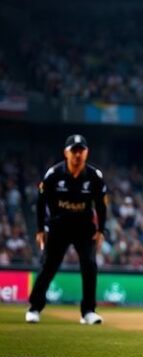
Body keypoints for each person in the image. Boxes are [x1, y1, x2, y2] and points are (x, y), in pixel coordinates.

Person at [26, 134, 107, 325]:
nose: (77, 155)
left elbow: (101, 206)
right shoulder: (54, 174)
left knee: (89, 265)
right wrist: (40, 229)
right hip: (58, 226)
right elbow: (40, 202)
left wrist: (101, 230)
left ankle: (88, 311)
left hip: (84, 228)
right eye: (74, 151)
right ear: (66, 153)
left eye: (81, 151)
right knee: (48, 266)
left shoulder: (95, 177)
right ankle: (34, 308)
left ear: (87, 153)